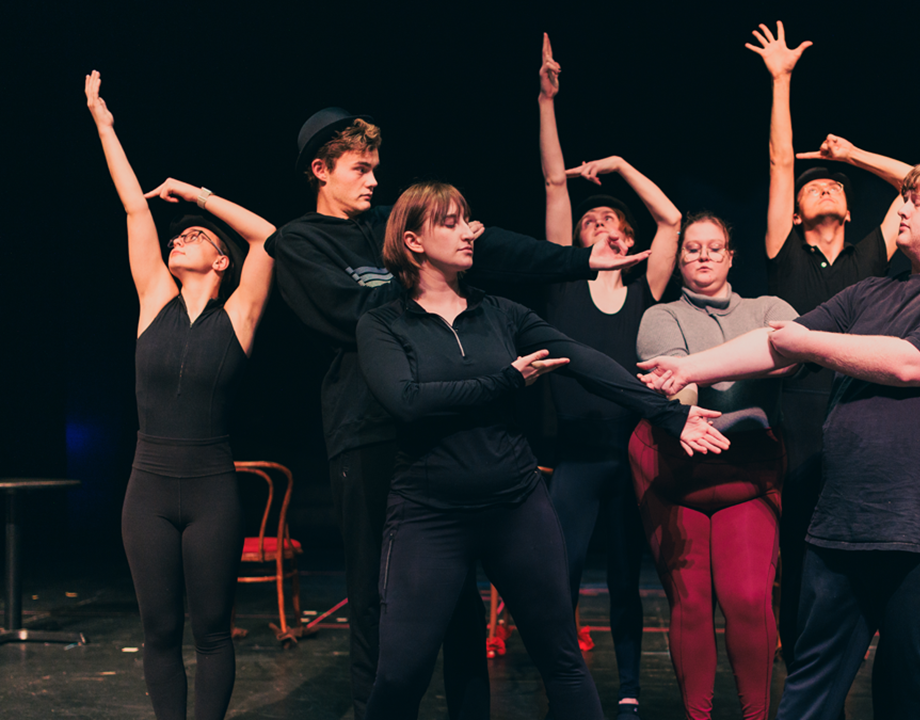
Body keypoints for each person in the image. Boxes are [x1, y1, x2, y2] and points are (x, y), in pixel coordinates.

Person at [263, 107, 647, 720]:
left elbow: (503, 249)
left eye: (375, 170)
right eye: (359, 169)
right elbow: (355, 314)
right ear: (320, 171)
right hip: (368, 429)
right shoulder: (303, 241)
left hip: (438, 435)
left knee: (460, 605)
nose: (371, 181)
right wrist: (433, 275)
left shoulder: (392, 224)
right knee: (376, 599)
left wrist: (581, 262)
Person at [637, 158, 920, 719]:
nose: (902, 207)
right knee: (807, 696)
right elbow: (777, 344)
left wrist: (810, 344)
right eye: (904, 197)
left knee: (913, 700)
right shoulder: (868, 295)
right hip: (843, 529)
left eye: (916, 199)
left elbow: (911, 364)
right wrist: (689, 369)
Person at [355, 182, 729, 720]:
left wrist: (668, 414)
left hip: (515, 505)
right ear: (413, 241)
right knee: (399, 674)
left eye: (469, 219)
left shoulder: (502, 313)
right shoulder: (383, 323)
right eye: (452, 222)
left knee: (563, 661)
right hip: (429, 515)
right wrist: (507, 380)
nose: (470, 231)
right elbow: (408, 402)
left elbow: (585, 359)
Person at [87, 70, 275, 720]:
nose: (178, 239)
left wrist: (198, 195)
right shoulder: (153, 301)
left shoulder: (241, 315)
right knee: (160, 631)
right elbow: (136, 207)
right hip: (148, 489)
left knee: (211, 628)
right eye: (179, 236)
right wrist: (104, 124)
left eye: (193, 237)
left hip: (210, 492)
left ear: (222, 263)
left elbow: (268, 237)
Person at [746, 20, 915, 668]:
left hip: (862, 410)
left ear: (849, 207)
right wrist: (782, 82)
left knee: (860, 544)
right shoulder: (782, 249)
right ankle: (803, 668)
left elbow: (918, 187)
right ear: (793, 210)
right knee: (798, 544)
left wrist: (853, 158)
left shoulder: (875, 251)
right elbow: (780, 161)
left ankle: (850, 653)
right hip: (799, 419)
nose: (824, 186)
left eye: (835, 186)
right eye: (813, 185)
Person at [535, 34, 681, 718]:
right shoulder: (564, 282)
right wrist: (547, 102)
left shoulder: (646, 284)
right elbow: (553, 185)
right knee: (558, 576)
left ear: (625, 238)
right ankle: (562, 677)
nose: (598, 226)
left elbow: (671, 217)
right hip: (575, 459)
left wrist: (620, 165)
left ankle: (626, 683)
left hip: (630, 455)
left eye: (609, 221)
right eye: (589, 221)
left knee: (628, 576)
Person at [629, 212, 797, 720]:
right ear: (679, 260)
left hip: (747, 471)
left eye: (714, 247)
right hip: (675, 469)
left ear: (730, 256)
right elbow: (676, 385)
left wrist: (702, 366)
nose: (703, 256)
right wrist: (752, 355)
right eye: (692, 249)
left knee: (747, 598)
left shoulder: (769, 305)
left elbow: (791, 354)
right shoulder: (660, 315)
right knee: (692, 603)